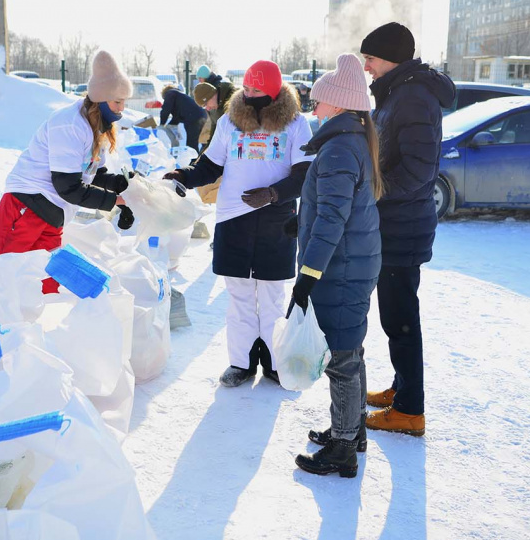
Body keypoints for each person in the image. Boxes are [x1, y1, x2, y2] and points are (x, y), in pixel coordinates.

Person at [164, 60, 312, 387]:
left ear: (273, 91)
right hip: (233, 219)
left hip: (277, 220)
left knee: (272, 298)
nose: (248, 94)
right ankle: (241, 363)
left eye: (256, 89)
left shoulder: (296, 124)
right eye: (245, 88)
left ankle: (274, 363)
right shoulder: (230, 122)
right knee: (240, 298)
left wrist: (273, 194)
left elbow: (305, 176)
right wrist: (184, 177)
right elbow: (210, 165)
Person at [286, 53, 383, 478]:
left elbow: (332, 218)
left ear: (338, 104)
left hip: (339, 269)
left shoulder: (341, 147)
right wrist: (302, 218)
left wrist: (307, 276)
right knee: (352, 351)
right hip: (351, 263)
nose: (312, 103)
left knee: (341, 359)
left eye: (318, 98)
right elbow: (333, 208)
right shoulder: (352, 140)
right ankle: (353, 429)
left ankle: (343, 448)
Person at [360, 22, 455, 437]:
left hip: (403, 225)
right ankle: (402, 391)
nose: (367, 67)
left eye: (372, 58)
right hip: (395, 222)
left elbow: (418, 171)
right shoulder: (398, 91)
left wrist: (374, 192)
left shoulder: (413, 98)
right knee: (395, 314)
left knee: (400, 318)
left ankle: (410, 411)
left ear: (392, 59)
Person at [0, 50, 134, 291]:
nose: (121, 109)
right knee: (1, 278)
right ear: (101, 97)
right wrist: (114, 201)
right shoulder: (70, 124)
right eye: (118, 102)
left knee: (45, 286)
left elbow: (95, 173)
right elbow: (68, 187)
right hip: (25, 207)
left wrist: (126, 186)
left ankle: (35, 328)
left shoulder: (96, 127)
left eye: (124, 102)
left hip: (53, 217)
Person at [160, 84, 208, 152]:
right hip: (202, 115)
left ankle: (193, 161)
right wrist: (169, 125)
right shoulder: (180, 97)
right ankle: (204, 159)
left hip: (193, 117)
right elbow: (176, 117)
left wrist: (161, 124)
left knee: (192, 143)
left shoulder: (170, 93)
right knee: (203, 142)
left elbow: (165, 109)